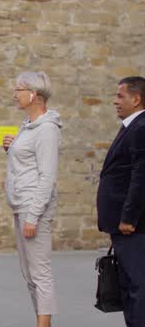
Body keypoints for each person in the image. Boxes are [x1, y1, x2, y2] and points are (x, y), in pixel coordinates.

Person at [3, 71, 61, 327]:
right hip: (21, 205)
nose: (14, 94)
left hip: (33, 207)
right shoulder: (28, 126)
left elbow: (47, 176)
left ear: (33, 94)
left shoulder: (47, 129)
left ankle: (43, 324)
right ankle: (44, 323)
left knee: (40, 273)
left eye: (19, 89)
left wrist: (34, 216)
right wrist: (13, 147)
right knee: (29, 274)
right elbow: (28, 160)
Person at [97, 76, 145, 327]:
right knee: (127, 285)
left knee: (137, 286)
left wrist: (128, 217)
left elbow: (141, 176)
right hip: (122, 225)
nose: (115, 101)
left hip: (133, 227)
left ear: (136, 99)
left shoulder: (140, 127)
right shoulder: (131, 126)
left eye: (120, 96)